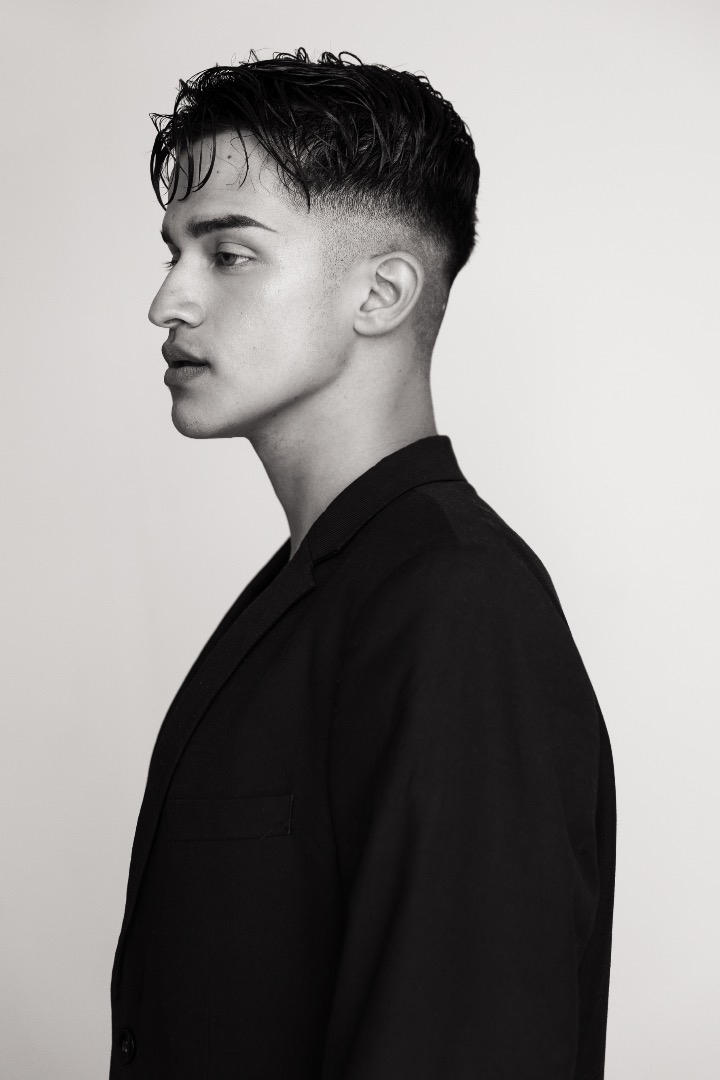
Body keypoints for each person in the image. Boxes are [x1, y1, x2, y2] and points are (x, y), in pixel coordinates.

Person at [110, 49, 616, 1079]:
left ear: (381, 292)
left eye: (228, 253)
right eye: (174, 252)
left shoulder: (456, 606)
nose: (168, 302)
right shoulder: (321, 587)